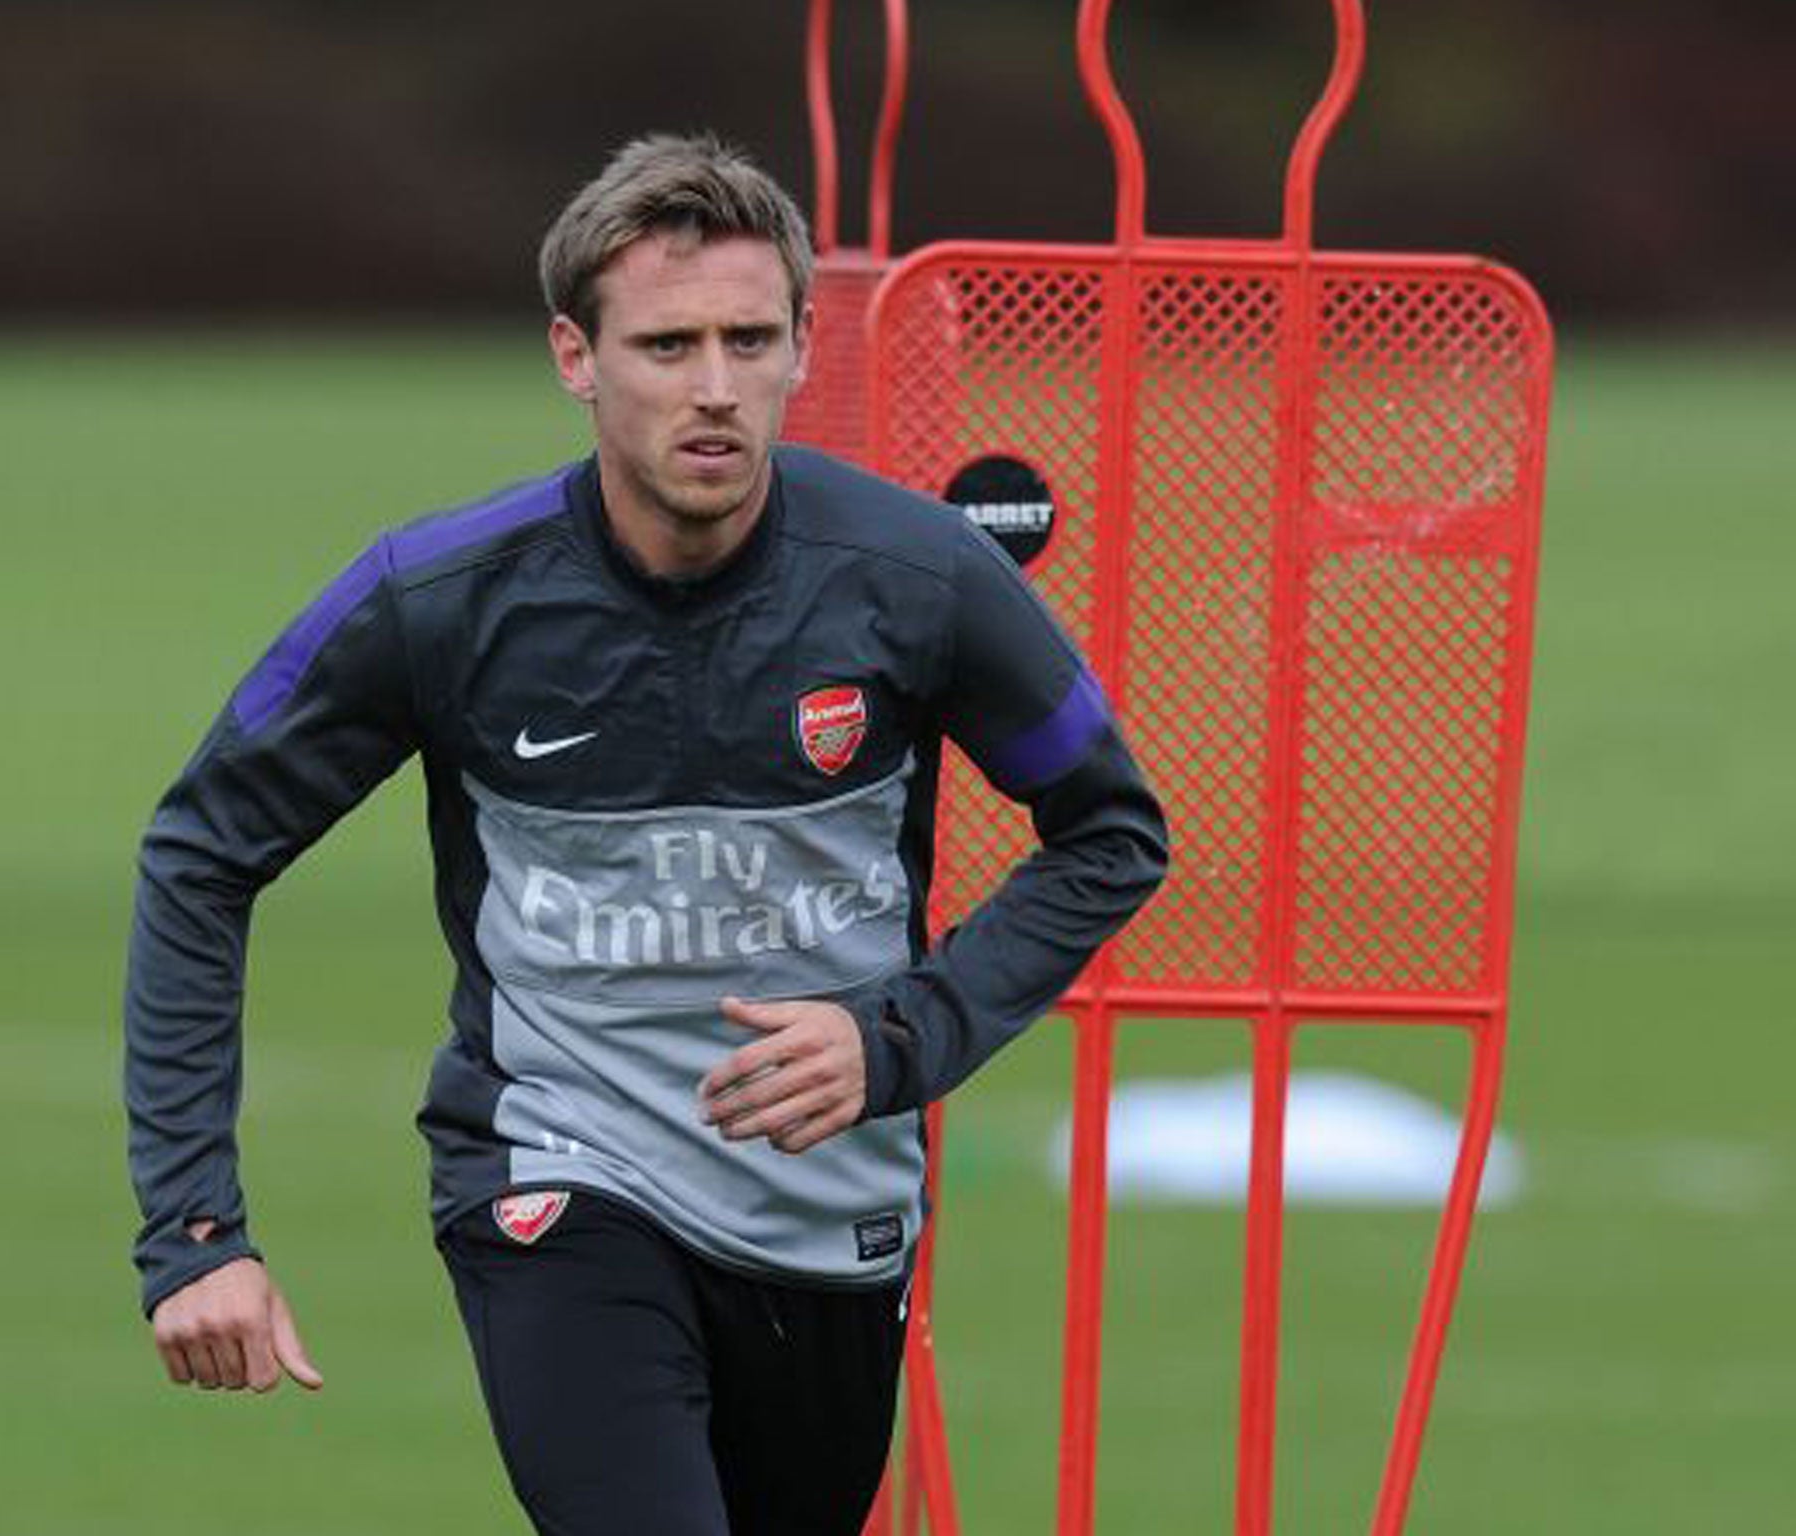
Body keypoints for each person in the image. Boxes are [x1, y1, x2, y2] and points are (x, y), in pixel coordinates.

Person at [124, 133, 1167, 1536]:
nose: (716, 389)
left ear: (806, 345)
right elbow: (203, 848)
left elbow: (1112, 831)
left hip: (829, 1217)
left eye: (751, 339)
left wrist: (897, 1040)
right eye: (668, 344)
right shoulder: (440, 599)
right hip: (559, 1178)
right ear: (576, 356)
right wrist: (195, 1232)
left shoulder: (923, 578)